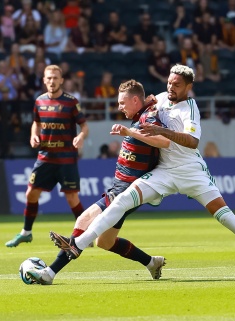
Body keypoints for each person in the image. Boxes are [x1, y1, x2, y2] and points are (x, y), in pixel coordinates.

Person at [49, 65, 235, 280]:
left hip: (191, 171)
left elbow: (192, 142)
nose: (171, 87)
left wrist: (161, 131)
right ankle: (78, 245)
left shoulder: (190, 109)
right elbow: (145, 104)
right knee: (122, 199)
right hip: (164, 171)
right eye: (169, 82)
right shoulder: (163, 98)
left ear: (189, 86)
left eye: (177, 84)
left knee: (226, 217)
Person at [26, 80, 169, 285]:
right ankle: (151, 262)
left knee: (83, 221)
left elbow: (165, 141)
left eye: (122, 102)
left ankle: (50, 272)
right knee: (105, 241)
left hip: (127, 191)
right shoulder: (141, 116)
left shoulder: (148, 118)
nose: (119, 107)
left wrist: (130, 132)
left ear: (135, 100)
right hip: (119, 188)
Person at [5, 65, 89, 247]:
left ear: (61, 80)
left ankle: (86, 234)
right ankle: (26, 232)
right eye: (49, 78)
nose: (52, 81)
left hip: (66, 158)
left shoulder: (71, 102)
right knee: (31, 194)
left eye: (55, 78)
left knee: (72, 198)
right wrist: (33, 135)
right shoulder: (39, 102)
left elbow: (84, 126)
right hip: (45, 157)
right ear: (44, 80)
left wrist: (81, 137)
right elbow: (36, 123)